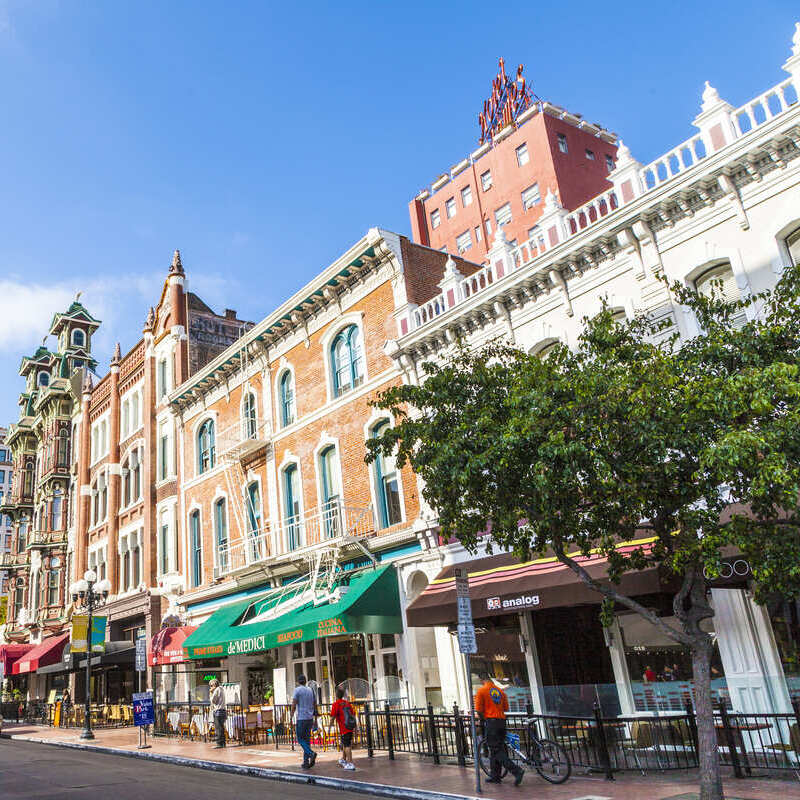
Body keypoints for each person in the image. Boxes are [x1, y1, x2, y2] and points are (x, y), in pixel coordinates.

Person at [474, 672, 524, 786]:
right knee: (497, 749)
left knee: (495, 750)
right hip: (502, 721)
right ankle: (495, 776)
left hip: (491, 722)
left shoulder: (481, 691)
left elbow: (478, 710)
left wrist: (484, 719)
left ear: (482, 680)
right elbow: (505, 707)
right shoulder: (501, 691)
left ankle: (517, 771)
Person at [292, 674, 317, 768]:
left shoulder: (297, 690)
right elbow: (314, 703)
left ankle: (311, 753)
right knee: (307, 740)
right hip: (309, 718)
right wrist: (314, 715)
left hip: (301, 718)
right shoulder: (310, 690)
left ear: (298, 682)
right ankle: (306, 762)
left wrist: (291, 715)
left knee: (300, 739)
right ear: (305, 681)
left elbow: (294, 703)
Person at [330, 687, 356, 771]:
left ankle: (351, 763)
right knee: (345, 743)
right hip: (350, 726)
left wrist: (330, 726)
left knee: (347, 745)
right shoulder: (347, 703)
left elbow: (333, 717)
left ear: (336, 695)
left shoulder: (336, 704)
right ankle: (344, 759)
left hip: (344, 728)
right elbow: (353, 714)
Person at [209, 679, 227, 749]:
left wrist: (211, 693)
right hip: (223, 710)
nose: (210, 687)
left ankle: (219, 743)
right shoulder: (222, 689)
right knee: (221, 727)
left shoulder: (217, 690)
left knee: (218, 728)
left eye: (211, 685)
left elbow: (213, 700)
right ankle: (223, 743)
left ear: (214, 684)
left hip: (218, 711)